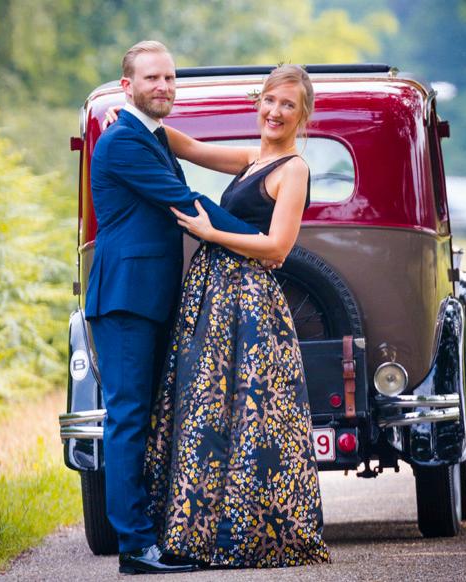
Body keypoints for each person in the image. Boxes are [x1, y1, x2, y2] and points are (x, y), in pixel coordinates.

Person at [85, 40, 265, 576]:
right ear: (128, 86)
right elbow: (186, 204)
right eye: (151, 78)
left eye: (169, 77)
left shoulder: (152, 134)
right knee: (128, 420)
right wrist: (263, 243)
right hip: (125, 300)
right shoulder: (124, 141)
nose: (163, 86)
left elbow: (202, 161)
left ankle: (156, 534)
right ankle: (135, 548)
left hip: (151, 298)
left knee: (151, 418)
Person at [141, 64, 331, 568]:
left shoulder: (293, 169)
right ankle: (196, 531)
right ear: (258, 102)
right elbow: (190, 148)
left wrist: (211, 232)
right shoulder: (252, 159)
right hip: (214, 293)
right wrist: (137, 120)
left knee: (247, 415)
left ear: (302, 116)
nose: (275, 112)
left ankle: (240, 534)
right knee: (207, 410)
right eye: (270, 100)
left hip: (247, 299)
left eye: (288, 105)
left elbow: (278, 246)